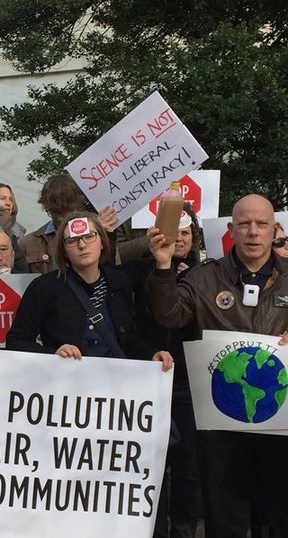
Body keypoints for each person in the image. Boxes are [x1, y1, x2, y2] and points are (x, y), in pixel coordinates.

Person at [146, 194, 288, 537]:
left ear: (275, 229)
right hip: (220, 423)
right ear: (231, 229)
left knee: (281, 515)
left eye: (261, 224)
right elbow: (168, 315)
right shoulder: (202, 278)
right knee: (226, 519)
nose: (253, 232)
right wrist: (163, 266)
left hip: (280, 420)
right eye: (244, 224)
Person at [121, 206, 202, 538]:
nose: (178, 240)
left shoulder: (207, 273)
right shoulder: (136, 272)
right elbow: (124, 324)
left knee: (189, 469)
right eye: (173, 232)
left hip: (190, 383)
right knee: (151, 468)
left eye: (185, 233)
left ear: (194, 237)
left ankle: (183, 531)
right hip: (147, 381)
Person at [6, 211, 173, 372]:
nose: (82, 245)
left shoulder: (119, 282)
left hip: (114, 386)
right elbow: (17, 341)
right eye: (72, 240)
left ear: (102, 242)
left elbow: (126, 337)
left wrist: (151, 354)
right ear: (63, 249)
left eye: (89, 236)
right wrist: (53, 355)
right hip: (67, 387)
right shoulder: (44, 287)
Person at [20, 173, 118, 274]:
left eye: (68, 211)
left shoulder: (97, 235)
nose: (61, 219)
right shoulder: (29, 244)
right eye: (56, 212)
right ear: (47, 209)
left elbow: (114, 273)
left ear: (79, 206)